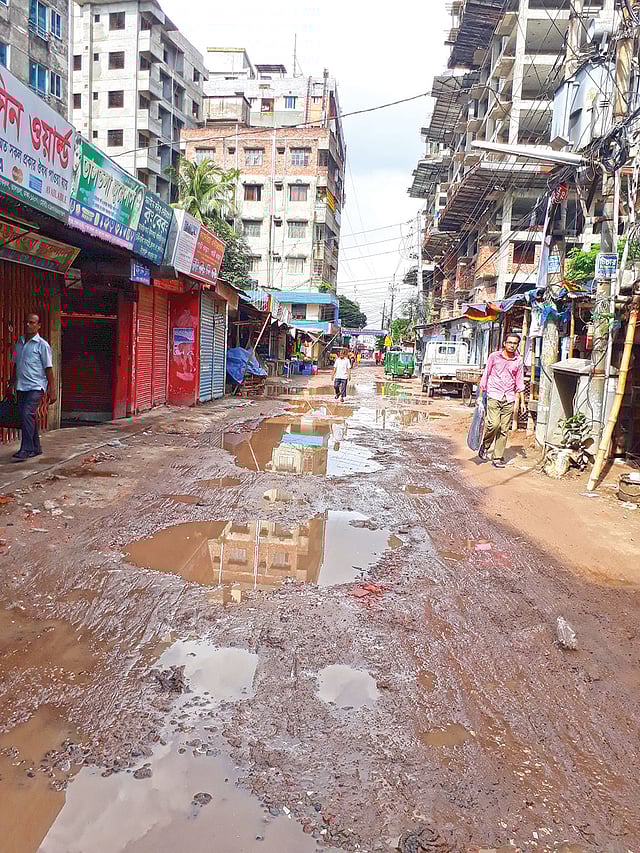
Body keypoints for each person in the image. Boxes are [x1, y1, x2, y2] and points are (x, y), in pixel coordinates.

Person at [9, 314, 56, 462]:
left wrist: (52, 390)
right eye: (27, 322)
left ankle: (26, 449)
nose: (29, 325)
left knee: (26, 414)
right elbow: (15, 363)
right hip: (21, 386)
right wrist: (11, 384)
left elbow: (48, 368)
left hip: (36, 386)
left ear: (38, 325)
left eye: (32, 322)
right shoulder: (19, 343)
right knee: (28, 416)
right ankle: (36, 447)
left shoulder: (43, 345)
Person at [478, 333, 525, 468]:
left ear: (517, 345)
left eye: (515, 343)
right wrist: (481, 395)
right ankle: (485, 445)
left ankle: (497, 457)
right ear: (504, 343)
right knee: (494, 424)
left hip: (509, 397)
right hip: (494, 394)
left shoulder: (518, 361)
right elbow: (486, 375)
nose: (512, 345)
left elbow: (519, 381)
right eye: (509, 342)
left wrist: (522, 402)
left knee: (504, 429)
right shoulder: (494, 356)